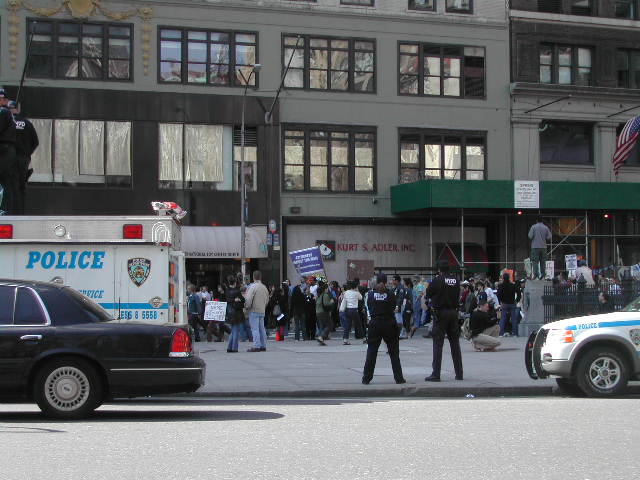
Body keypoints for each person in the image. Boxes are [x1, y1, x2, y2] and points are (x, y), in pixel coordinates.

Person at [362, 273, 406, 385]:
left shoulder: (370, 295)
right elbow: (393, 307)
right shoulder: (391, 294)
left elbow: (369, 307)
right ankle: (399, 378)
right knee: (394, 353)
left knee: (372, 351)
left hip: (375, 324)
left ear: (376, 282)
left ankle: (366, 378)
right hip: (389, 324)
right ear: (386, 282)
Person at [424, 262, 463, 382]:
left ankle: (436, 374)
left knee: (438, 343)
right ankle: (459, 373)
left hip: (440, 313)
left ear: (439, 269)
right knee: (455, 343)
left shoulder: (438, 280)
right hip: (453, 312)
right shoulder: (456, 280)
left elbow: (428, 293)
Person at [8, 101, 38, 215]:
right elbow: (36, 142)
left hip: (9, 159)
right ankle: (21, 213)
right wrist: (27, 153)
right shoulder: (27, 123)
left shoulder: (7, 123)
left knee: (10, 185)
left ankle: (9, 213)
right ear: (18, 109)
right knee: (22, 186)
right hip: (23, 159)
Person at [0, 90, 17, 215]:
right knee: (6, 181)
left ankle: (4, 209)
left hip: (4, 150)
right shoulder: (7, 113)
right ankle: (6, 209)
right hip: (8, 150)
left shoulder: (2, 112)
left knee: (3, 181)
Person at [244, 270, 270, 352]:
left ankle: (256, 346)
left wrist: (247, 307)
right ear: (260, 277)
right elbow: (267, 299)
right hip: (262, 310)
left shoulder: (253, 287)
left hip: (254, 310)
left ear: (253, 277)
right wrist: (263, 306)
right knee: (262, 328)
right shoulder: (264, 287)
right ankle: (263, 345)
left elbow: (248, 299)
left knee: (255, 329)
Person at [224, 276, 245, 352]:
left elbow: (226, 300)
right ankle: (234, 348)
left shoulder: (226, 291)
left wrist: (233, 300)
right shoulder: (237, 291)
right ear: (235, 283)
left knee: (233, 330)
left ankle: (229, 347)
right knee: (236, 330)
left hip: (230, 312)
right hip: (237, 313)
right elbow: (243, 300)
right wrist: (237, 300)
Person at [339, 280, 362, 345]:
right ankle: (364, 338)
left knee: (347, 325)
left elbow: (344, 300)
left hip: (348, 310)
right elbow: (361, 298)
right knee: (359, 325)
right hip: (354, 310)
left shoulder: (346, 292)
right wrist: (357, 291)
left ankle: (345, 339)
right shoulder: (356, 293)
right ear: (355, 287)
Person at [497, 273, 518, 337]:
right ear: (509, 278)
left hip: (504, 303)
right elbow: (518, 292)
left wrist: (501, 301)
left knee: (503, 318)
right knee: (513, 318)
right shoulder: (512, 285)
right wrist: (516, 300)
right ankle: (514, 333)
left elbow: (498, 294)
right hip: (512, 302)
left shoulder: (501, 285)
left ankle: (501, 333)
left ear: (503, 278)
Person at [315, 280, 334, 345]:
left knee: (322, 326)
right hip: (323, 312)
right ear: (325, 289)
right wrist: (331, 302)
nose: (328, 290)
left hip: (318, 312)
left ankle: (321, 340)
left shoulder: (318, 295)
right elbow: (326, 304)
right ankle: (321, 337)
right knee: (329, 325)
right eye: (327, 289)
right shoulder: (325, 295)